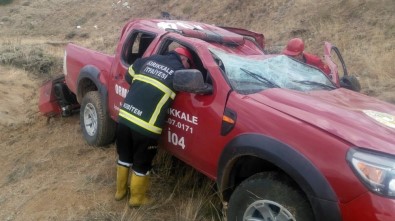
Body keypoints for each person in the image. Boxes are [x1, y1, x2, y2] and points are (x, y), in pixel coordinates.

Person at [115, 47, 193, 207]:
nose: (188, 67)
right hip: (146, 126)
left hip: (124, 118)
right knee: (141, 163)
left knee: (124, 156)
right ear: (184, 59)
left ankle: (120, 192)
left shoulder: (149, 60)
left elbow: (129, 76)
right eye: (189, 64)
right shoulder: (179, 71)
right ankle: (137, 199)